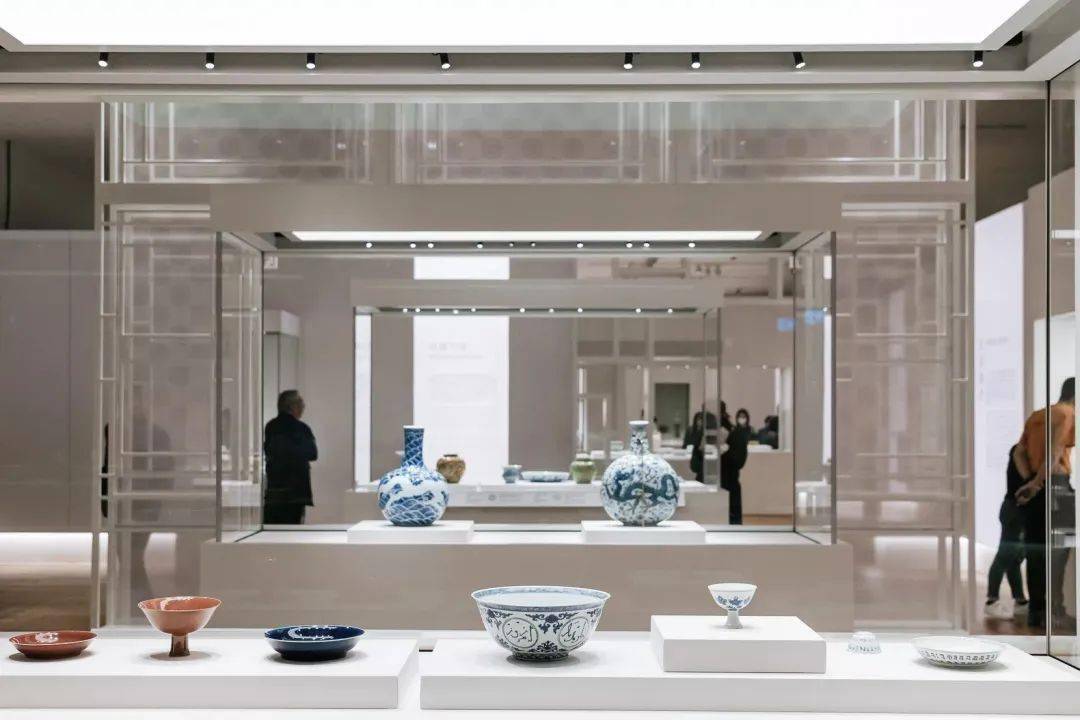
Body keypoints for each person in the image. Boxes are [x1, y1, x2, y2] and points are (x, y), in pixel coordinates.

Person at [1014, 377, 1076, 629]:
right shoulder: (1068, 413)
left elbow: (1019, 452)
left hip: (1036, 488)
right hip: (1057, 487)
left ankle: (1036, 612)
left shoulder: (1038, 415)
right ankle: (1055, 611)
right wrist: (1038, 483)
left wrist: (1029, 480)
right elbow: (1055, 451)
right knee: (1060, 551)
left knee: (1035, 551)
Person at [984, 444, 1031, 618]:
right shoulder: (1021, 452)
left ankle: (1020, 601)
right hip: (1015, 510)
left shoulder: (1020, 450)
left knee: (1014, 559)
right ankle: (991, 601)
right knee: (1005, 556)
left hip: (1013, 509)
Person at [264, 389, 318, 524]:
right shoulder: (302, 428)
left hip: (275, 491)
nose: (303, 407)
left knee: (273, 529)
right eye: (300, 403)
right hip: (296, 492)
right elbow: (313, 454)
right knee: (292, 529)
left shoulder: (271, 427)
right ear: (292, 406)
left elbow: (270, 451)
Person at [720, 401, 750, 525]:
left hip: (729, 478)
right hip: (722, 479)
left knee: (732, 518)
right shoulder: (731, 431)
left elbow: (739, 461)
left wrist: (726, 451)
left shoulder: (734, 432)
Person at [683, 408, 718, 483]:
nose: (700, 422)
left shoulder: (708, 434)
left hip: (705, 467)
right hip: (702, 467)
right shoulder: (694, 431)